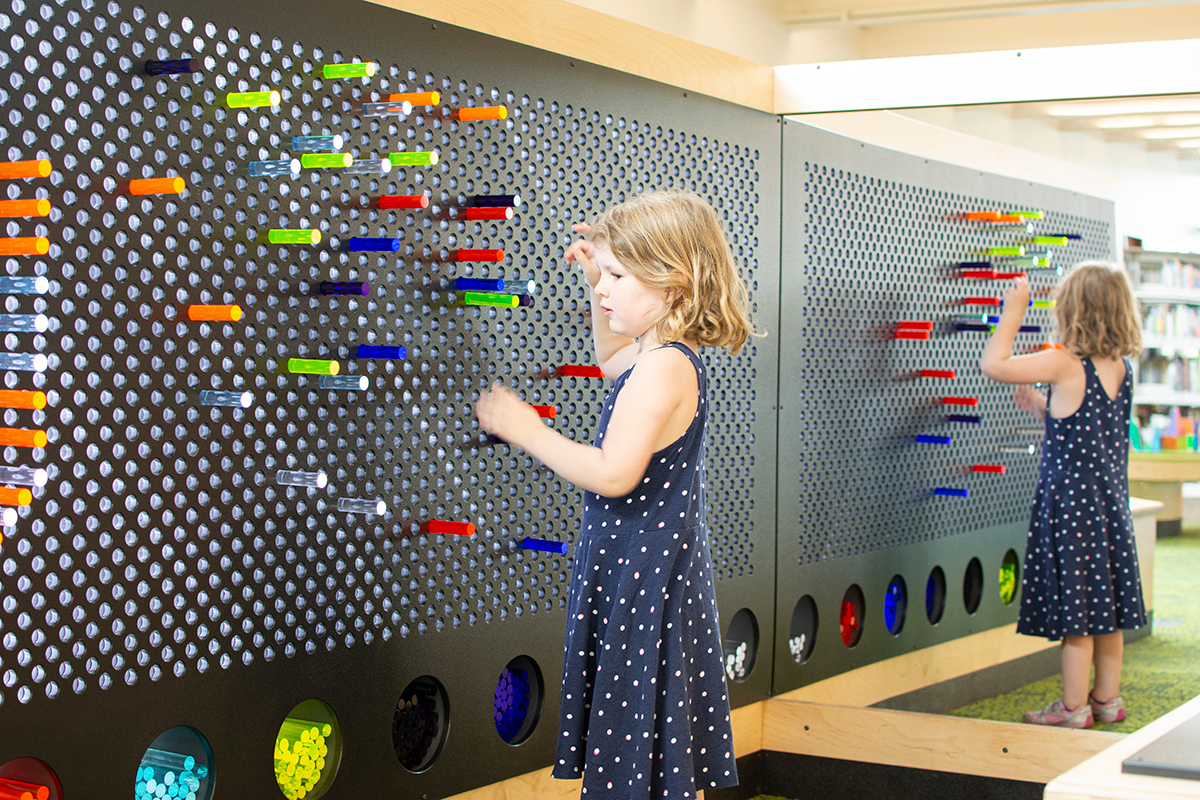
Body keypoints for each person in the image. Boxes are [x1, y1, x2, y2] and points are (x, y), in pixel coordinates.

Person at [475, 191, 756, 797]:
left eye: (619, 275)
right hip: (634, 568)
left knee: (643, 741)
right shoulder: (656, 355)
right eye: (606, 273)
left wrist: (529, 431)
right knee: (643, 741)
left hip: (644, 576)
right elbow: (609, 359)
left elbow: (612, 473)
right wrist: (592, 274)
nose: (605, 287)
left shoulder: (665, 369)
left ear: (673, 284)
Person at [980, 262, 1147, 728]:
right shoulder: (1120, 368)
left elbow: (994, 365)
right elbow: (1086, 427)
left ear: (1074, 311)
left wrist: (1013, 311)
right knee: (1107, 610)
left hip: (1071, 510)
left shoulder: (1063, 362)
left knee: (1077, 616)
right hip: (1109, 508)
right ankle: (1106, 701)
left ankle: (1073, 709)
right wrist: (1040, 404)